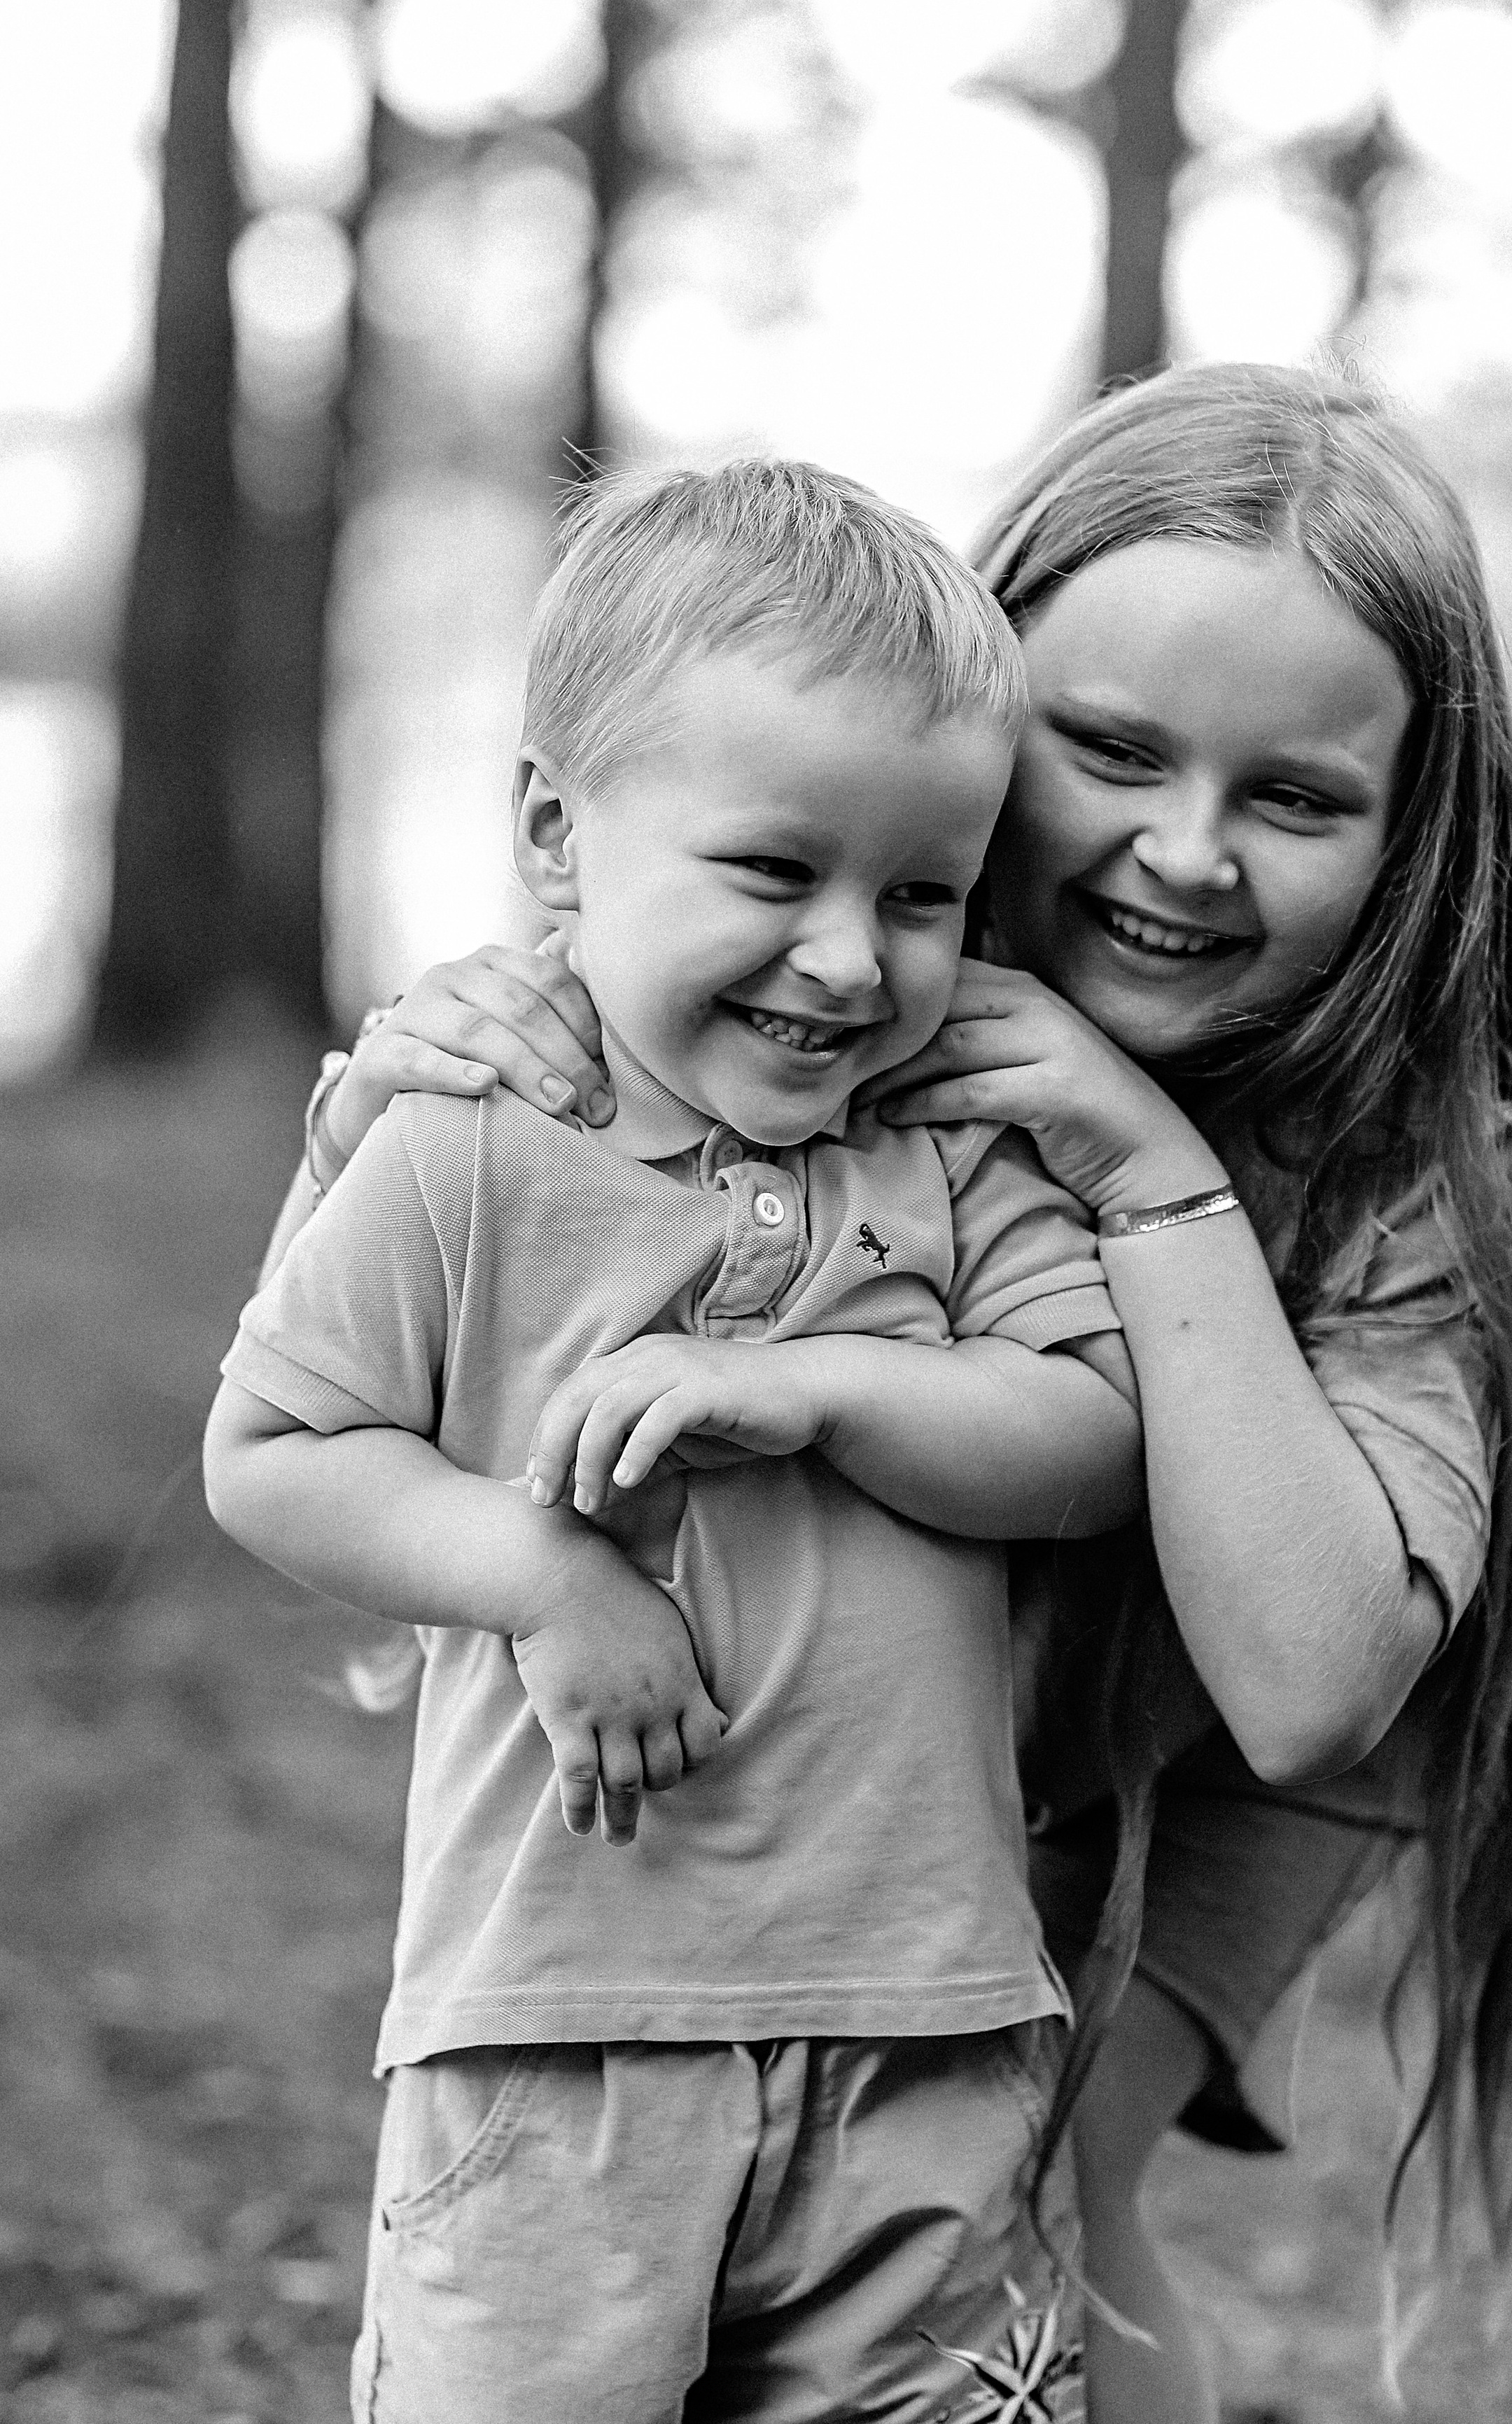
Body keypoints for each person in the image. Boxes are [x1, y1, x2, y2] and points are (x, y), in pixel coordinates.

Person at [298, 368, 1512, 2424]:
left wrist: (1145, 1171)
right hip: (892, 1703)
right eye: (1105, 750)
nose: (1186, 856)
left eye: (1295, 798)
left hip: (1239, 1697)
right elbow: (412, 1365)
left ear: (1414, 823)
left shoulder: (1425, 1165)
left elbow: (1304, 1679)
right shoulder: (793, 993)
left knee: (1047, 2164)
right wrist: (394, 1102)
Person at [204, 459, 1144, 2424]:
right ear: (557, 833)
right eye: (771, 871)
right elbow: (279, 1449)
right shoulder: (470, 1142)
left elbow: (1087, 1439)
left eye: (922, 896)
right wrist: (543, 1579)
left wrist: (820, 1386)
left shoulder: (962, 1150)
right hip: (558, 2028)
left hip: (927, 2022)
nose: (848, 962)